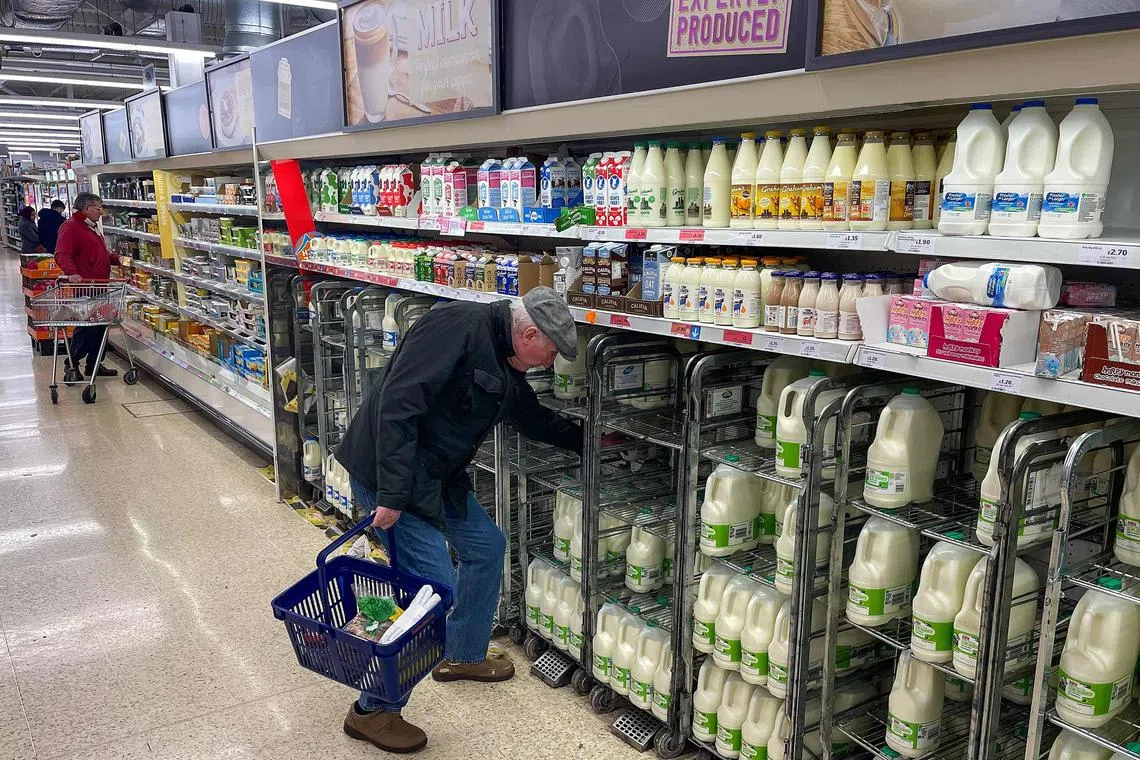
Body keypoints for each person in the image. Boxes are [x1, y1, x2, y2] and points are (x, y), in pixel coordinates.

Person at [336, 288, 584, 754]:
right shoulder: (454, 327)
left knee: (486, 547)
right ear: (530, 332)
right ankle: (373, 711)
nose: (549, 364)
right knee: (431, 591)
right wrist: (390, 494)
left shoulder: (507, 355)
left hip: (439, 476)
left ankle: (460, 654)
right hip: (398, 478)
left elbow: (528, 416)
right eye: (550, 353)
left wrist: (588, 440)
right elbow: (398, 403)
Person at [54, 192, 117, 378]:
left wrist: (117, 259)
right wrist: (72, 273)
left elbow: (100, 254)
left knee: (101, 327)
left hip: (99, 286)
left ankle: (94, 365)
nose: (101, 211)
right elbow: (61, 253)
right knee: (87, 328)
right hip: (85, 288)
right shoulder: (71, 227)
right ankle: (72, 363)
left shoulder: (91, 227)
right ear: (87, 208)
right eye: (98, 208)